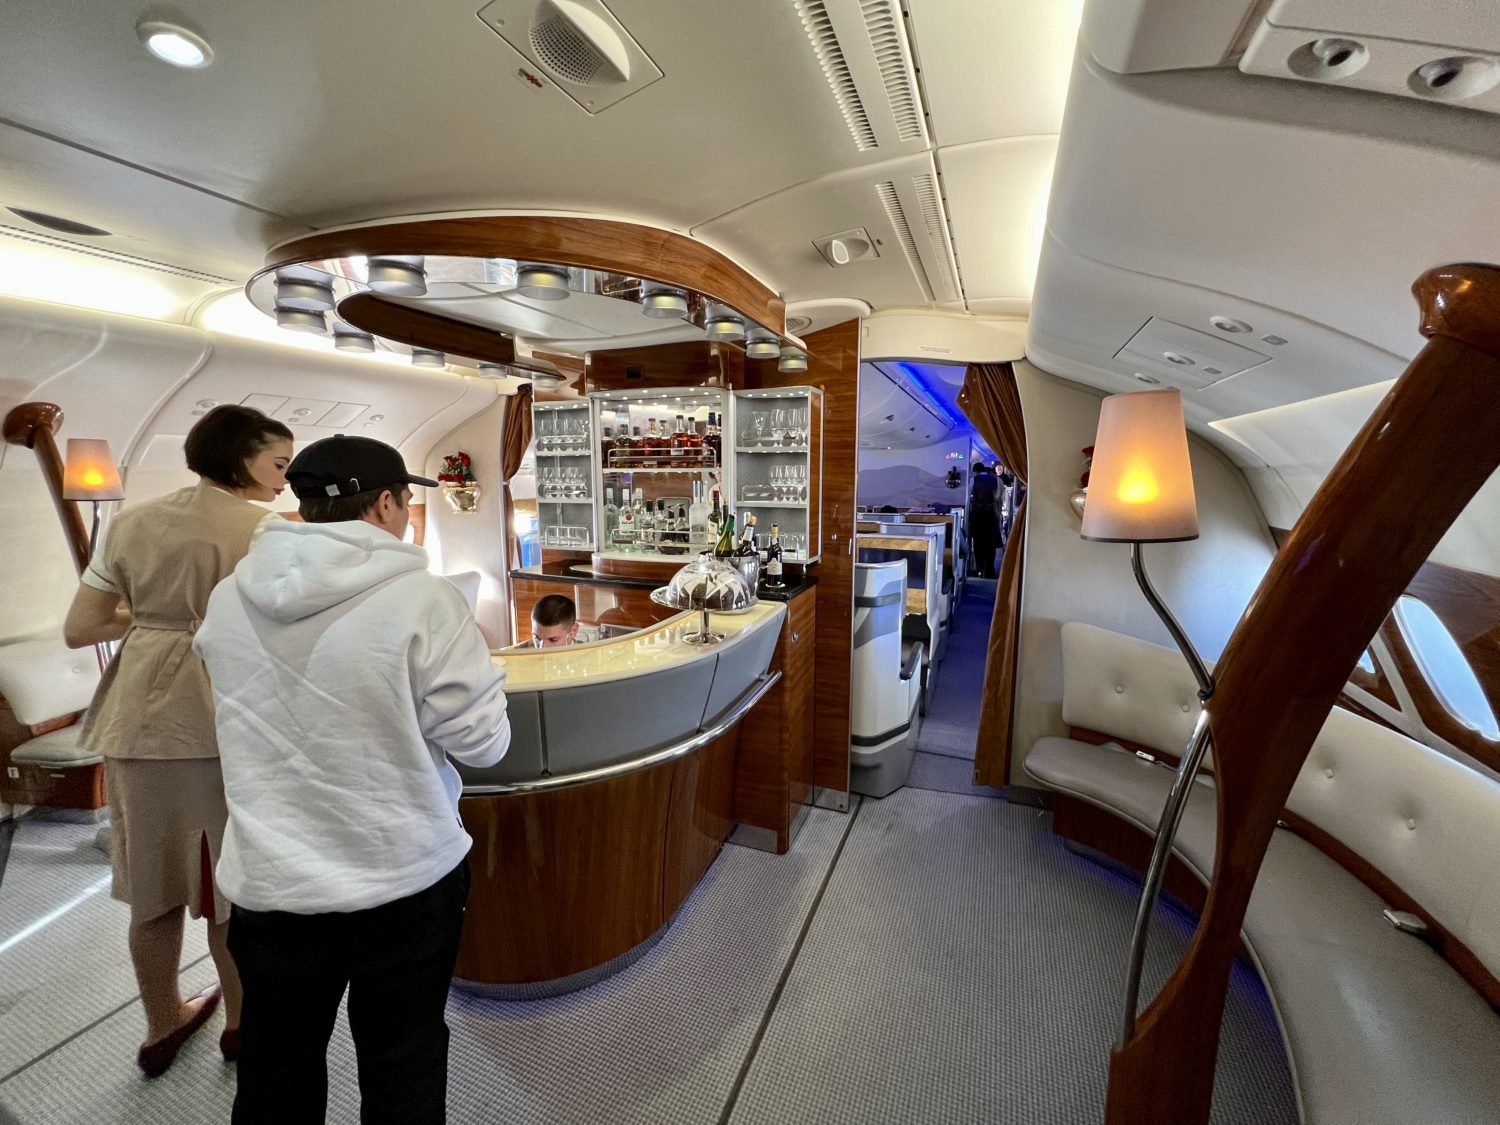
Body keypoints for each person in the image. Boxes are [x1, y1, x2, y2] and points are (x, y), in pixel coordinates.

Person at [192, 434, 510, 1125]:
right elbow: (485, 744)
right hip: (402, 878)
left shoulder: (226, 600)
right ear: (389, 502)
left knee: (276, 1072)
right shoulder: (425, 602)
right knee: (404, 1061)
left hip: (272, 886)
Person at [62, 405, 294, 1077]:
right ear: (240, 458)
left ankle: (162, 1024)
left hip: (136, 720)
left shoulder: (129, 521)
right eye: (278, 464)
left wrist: (157, 615)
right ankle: (242, 1025)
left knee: (152, 887)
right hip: (221, 713)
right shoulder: (265, 529)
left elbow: (81, 628)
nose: (284, 479)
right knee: (227, 883)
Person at [969, 462, 1000, 579]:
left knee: (978, 543)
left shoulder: (974, 480)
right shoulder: (994, 480)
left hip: (978, 514)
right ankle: (989, 571)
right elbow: (997, 497)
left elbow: (971, 496)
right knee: (990, 543)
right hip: (990, 514)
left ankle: (979, 569)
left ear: (976, 471)